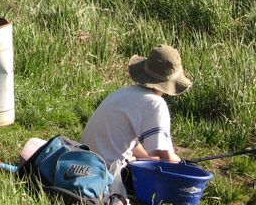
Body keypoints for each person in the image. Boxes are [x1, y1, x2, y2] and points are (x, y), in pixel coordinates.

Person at [80, 44, 192, 189]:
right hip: (110, 176)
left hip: (85, 164)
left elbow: (124, 140)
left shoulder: (125, 93)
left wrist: (147, 158)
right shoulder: (155, 104)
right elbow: (166, 157)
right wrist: (184, 166)